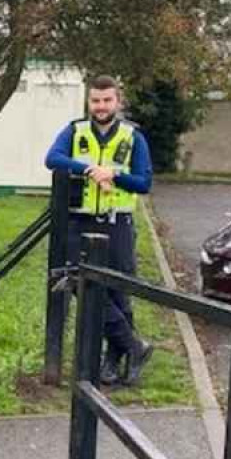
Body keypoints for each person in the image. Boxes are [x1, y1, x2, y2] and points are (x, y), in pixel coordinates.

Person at [45, 74, 154, 387]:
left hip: (116, 223)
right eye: (96, 100)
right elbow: (52, 159)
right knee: (80, 281)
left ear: (117, 102)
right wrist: (90, 169)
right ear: (88, 101)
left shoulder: (134, 137)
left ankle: (114, 358)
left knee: (118, 291)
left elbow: (144, 182)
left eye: (107, 100)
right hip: (80, 221)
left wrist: (114, 174)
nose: (101, 106)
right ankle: (134, 346)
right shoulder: (75, 131)